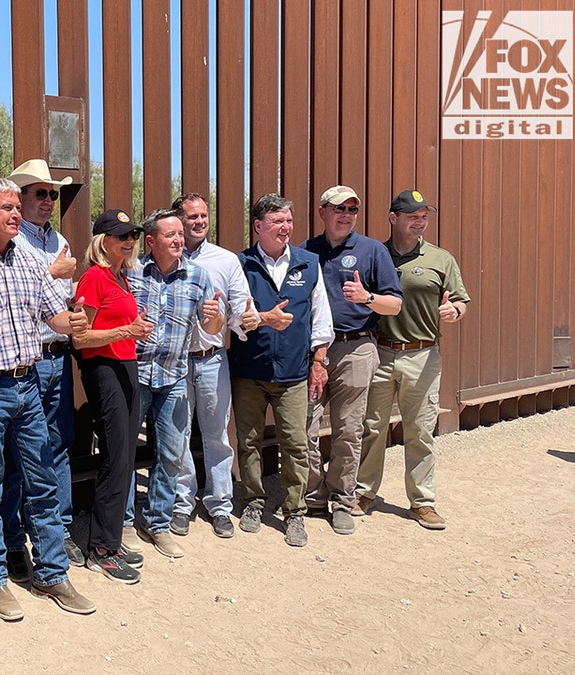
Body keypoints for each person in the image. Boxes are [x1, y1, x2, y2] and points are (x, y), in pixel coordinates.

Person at [0, 177, 95, 621]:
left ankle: (52, 574)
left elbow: (49, 315)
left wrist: (73, 323)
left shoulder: (27, 261)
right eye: (7, 207)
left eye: (17, 207)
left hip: (30, 385)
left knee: (41, 482)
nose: (17, 214)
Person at [357, 190, 469, 530]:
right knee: (372, 427)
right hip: (379, 351)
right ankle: (363, 493)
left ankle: (422, 502)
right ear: (394, 219)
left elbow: (462, 300)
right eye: (412, 216)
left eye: (424, 216)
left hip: (422, 355)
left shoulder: (440, 259)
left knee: (420, 430)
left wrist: (455, 310)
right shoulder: (375, 255)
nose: (419, 221)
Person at [229, 193, 333, 548]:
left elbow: (322, 320)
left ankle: (294, 512)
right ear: (258, 226)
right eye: (277, 222)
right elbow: (234, 320)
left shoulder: (308, 263)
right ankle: (255, 502)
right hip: (249, 371)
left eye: (288, 221)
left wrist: (319, 362)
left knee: (296, 443)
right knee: (249, 441)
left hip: (293, 373)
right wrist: (263, 320)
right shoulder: (240, 264)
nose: (286, 228)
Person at [302, 186, 403, 536]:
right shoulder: (304, 251)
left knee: (349, 429)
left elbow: (395, 305)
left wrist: (367, 297)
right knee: (306, 427)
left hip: (357, 348)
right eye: (338, 208)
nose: (346, 215)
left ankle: (343, 501)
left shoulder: (373, 250)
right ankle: (314, 497)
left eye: (352, 209)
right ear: (322, 212)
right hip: (313, 353)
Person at [123, 208, 223, 559]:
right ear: (151, 241)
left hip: (174, 378)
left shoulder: (198, 276)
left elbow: (210, 329)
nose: (180, 239)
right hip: (133, 376)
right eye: (171, 235)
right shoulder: (131, 272)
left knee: (170, 454)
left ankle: (157, 523)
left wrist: (214, 319)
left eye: (181, 234)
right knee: (125, 453)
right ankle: (123, 523)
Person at [3, 159, 82, 575]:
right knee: (22, 452)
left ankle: (58, 529)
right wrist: (53, 275)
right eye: (41, 193)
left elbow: (59, 307)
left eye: (53, 194)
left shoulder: (58, 240)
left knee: (58, 446)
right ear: (21, 198)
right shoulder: (16, 243)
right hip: (29, 357)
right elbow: (16, 305)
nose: (50, 200)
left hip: (57, 355)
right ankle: (15, 536)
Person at [69, 209, 153, 584]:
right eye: (121, 235)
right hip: (104, 369)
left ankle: (112, 542)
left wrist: (133, 330)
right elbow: (80, 337)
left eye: (132, 235)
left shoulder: (121, 278)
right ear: (102, 240)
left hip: (125, 366)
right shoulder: (94, 277)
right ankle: (100, 549)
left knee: (126, 456)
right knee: (116, 456)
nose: (129, 241)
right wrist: (126, 330)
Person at [172, 192, 255, 538]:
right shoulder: (162, 257)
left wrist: (244, 318)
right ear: (179, 219)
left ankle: (220, 504)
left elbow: (241, 311)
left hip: (211, 360)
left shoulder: (225, 261)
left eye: (204, 215)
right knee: (177, 436)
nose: (199, 222)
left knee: (217, 435)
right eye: (192, 216)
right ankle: (181, 503)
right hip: (173, 363)